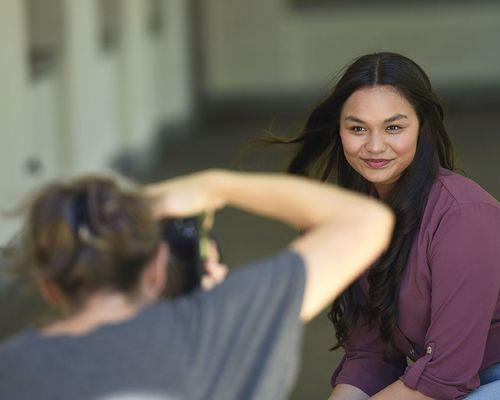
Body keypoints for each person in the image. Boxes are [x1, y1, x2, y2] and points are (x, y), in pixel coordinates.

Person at [0, 170, 393, 400]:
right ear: (156, 269)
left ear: (49, 286)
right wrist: (216, 186)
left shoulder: (12, 369)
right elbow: (366, 221)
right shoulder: (215, 330)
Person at [270, 52, 500, 399]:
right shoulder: (358, 221)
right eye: (358, 128)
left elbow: (444, 377)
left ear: (422, 127)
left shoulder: (464, 215)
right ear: (340, 130)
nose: (375, 146)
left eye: (394, 127)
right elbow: (371, 354)